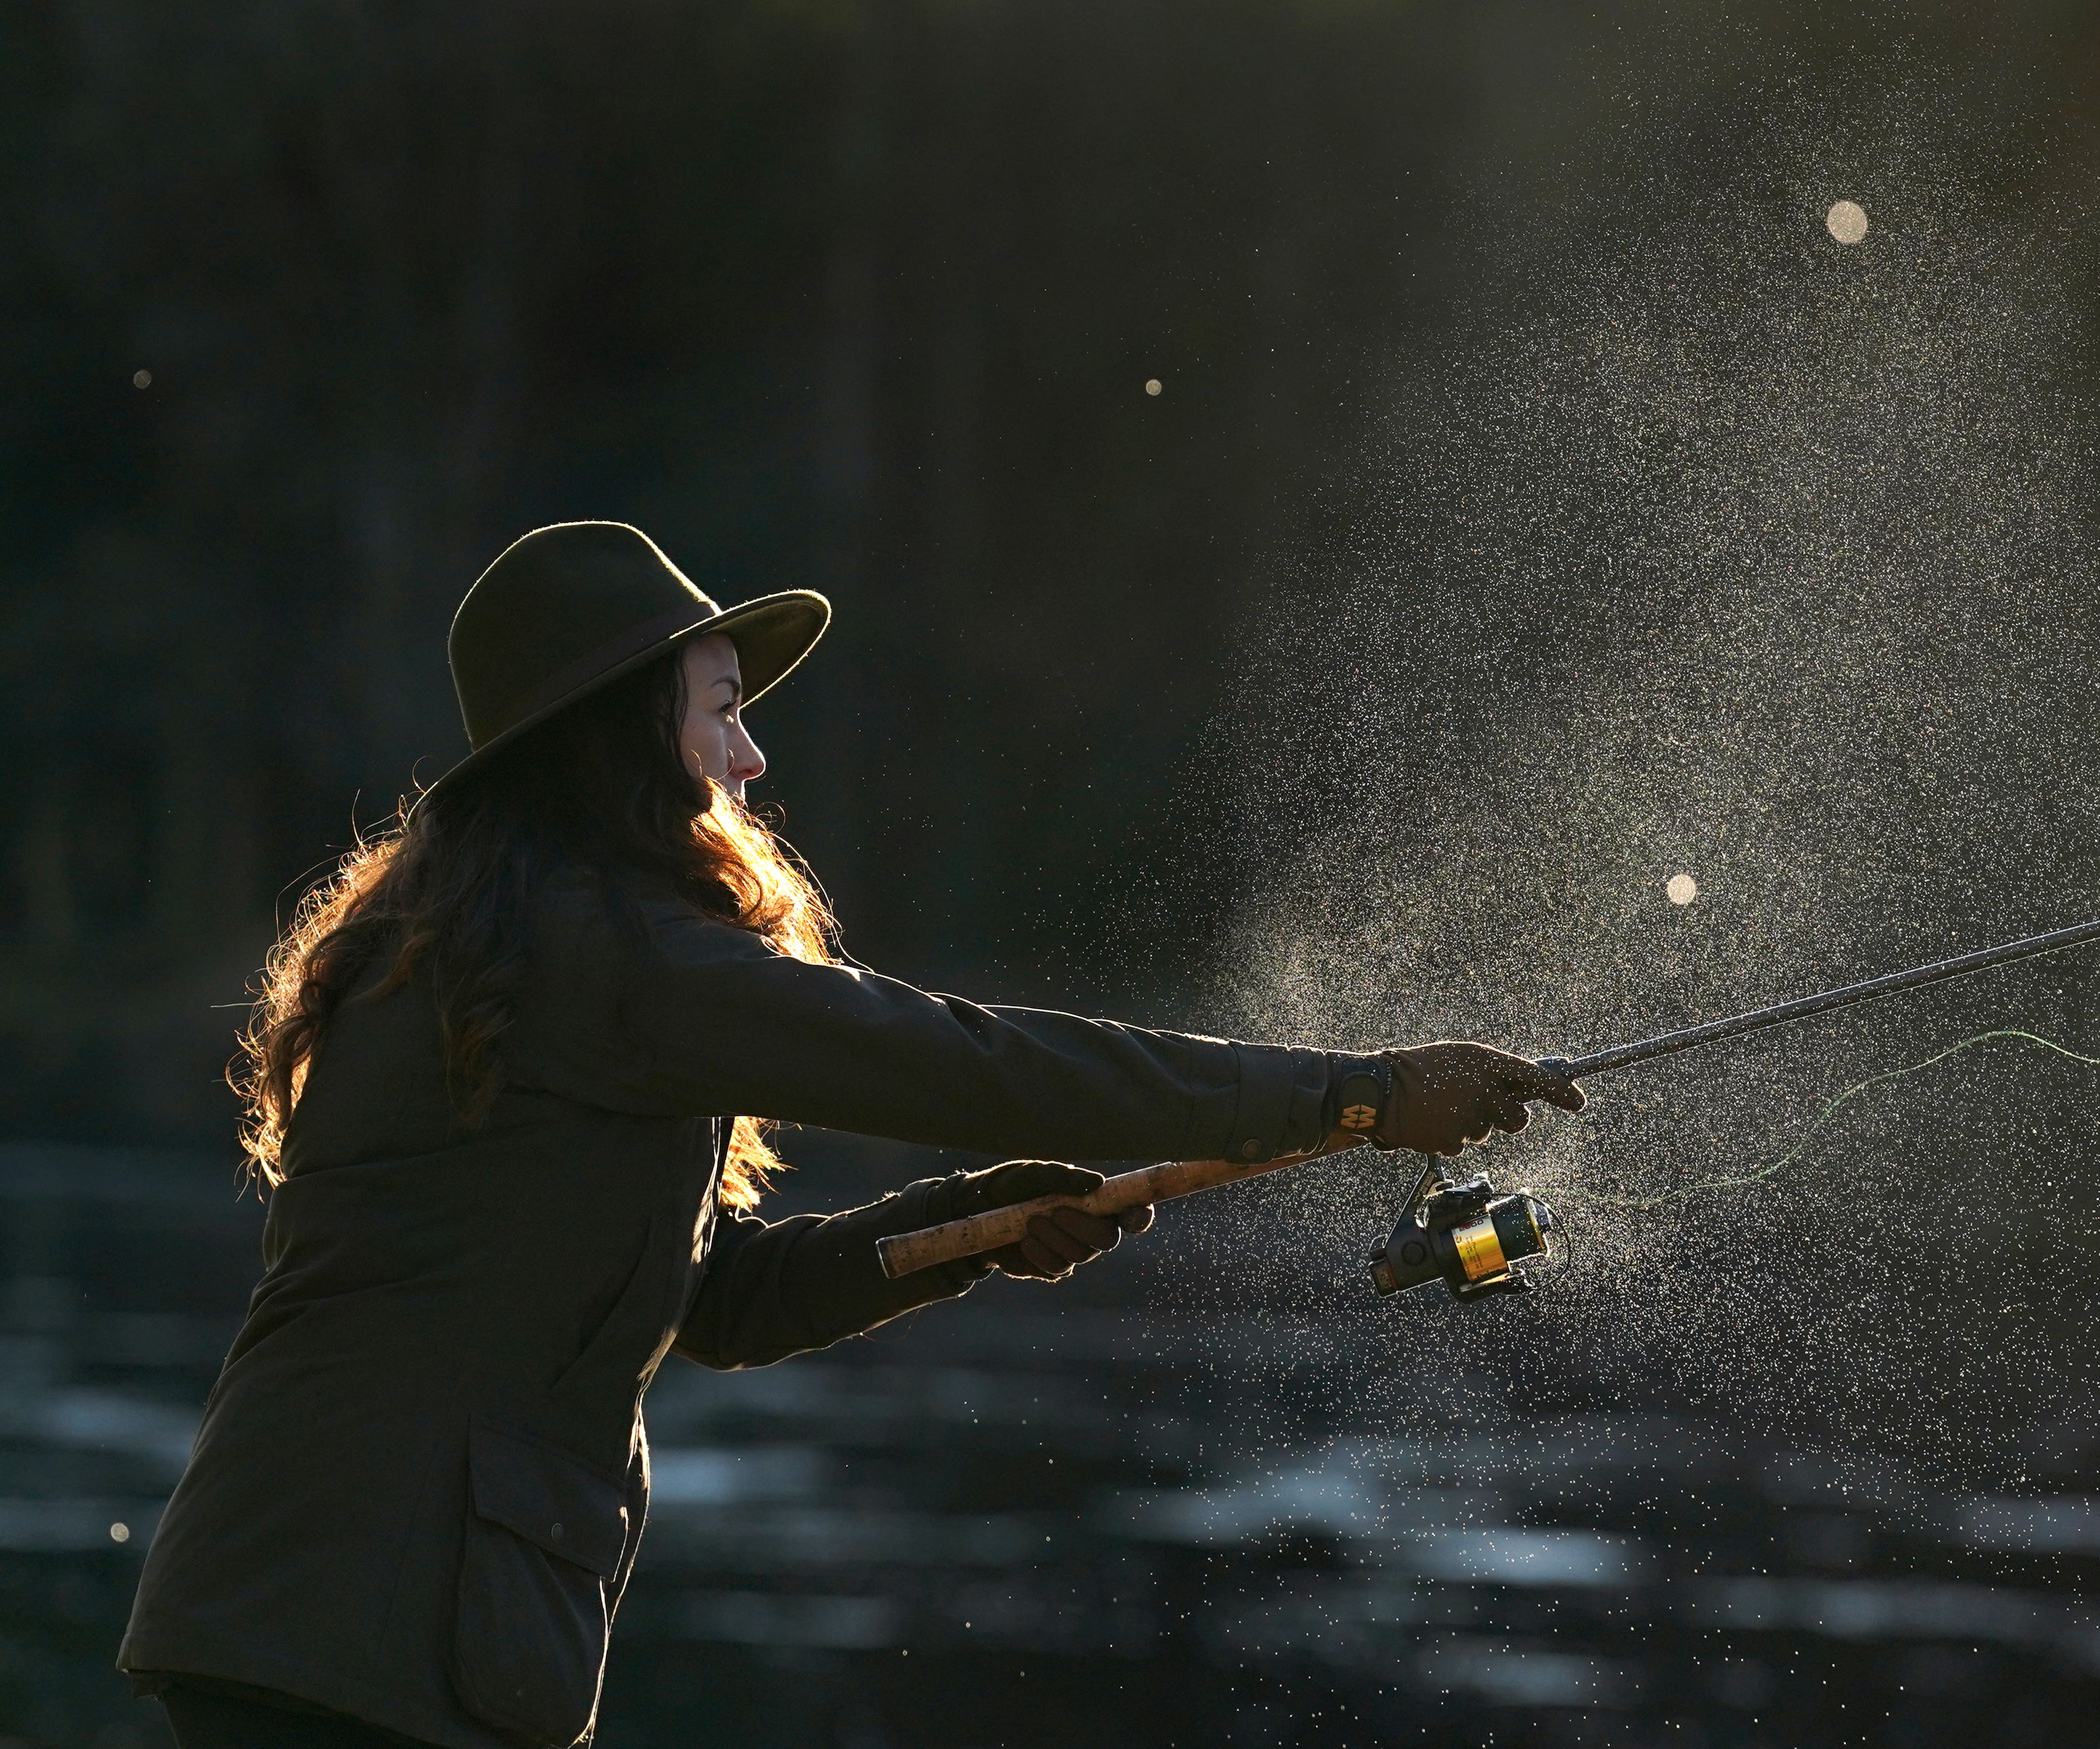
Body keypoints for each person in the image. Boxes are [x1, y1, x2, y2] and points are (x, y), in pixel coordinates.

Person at [116, 522, 1582, 1749]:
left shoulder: (503, 940)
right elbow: (959, 1060)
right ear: (619, 735)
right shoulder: (596, 952)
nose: (749, 758)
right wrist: (1357, 1093)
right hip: (353, 1636)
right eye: (720, 710)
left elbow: (720, 1302)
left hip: (305, 1621)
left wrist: (965, 1229)